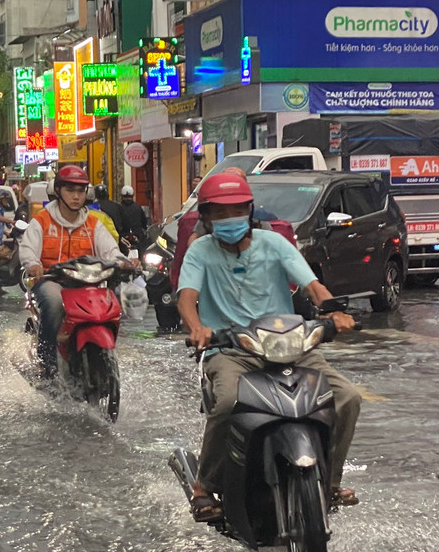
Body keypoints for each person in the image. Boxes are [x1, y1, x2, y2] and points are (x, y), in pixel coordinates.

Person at [177, 171, 361, 521]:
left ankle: (330, 483)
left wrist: (334, 312)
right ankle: (204, 486)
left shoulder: (274, 243)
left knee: (347, 398)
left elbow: (312, 285)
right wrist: (197, 327)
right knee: (229, 402)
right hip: (232, 350)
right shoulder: (200, 251)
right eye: (219, 213)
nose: (229, 220)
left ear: (249, 211)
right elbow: (188, 296)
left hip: (290, 346)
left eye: (236, 211)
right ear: (206, 217)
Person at [19, 165, 125, 377]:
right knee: (54, 302)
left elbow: (111, 250)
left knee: (113, 303)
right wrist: (33, 264)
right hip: (51, 279)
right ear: (58, 191)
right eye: (70, 190)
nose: (76, 196)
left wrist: (122, 262)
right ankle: (47, 363)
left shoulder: (93, 223)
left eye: (81, 191)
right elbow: (28, 248)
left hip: (88, 283)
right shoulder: (41, 220)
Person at [117, 185, 150, 258]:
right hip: (137, 235)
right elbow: (144, 222)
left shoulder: (118, 208)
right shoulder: (138, 207)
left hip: (124, 236)